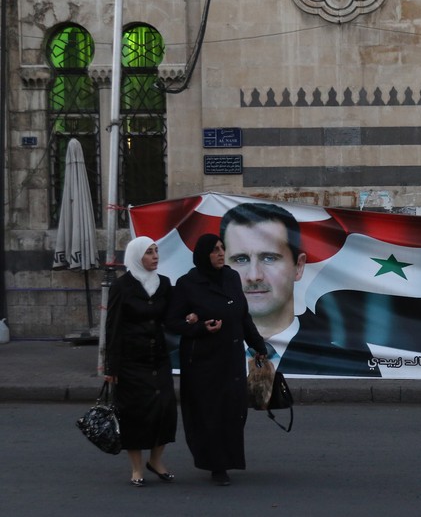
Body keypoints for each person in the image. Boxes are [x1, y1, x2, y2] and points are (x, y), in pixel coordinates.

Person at [219, 202, 378, 376]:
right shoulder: (197, 348)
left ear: (299, 266)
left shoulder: (350, 358)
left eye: (269, 258)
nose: (254, 275)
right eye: (240, 260)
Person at [165, 233, 269, 486]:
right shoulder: (188, 283)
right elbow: (172, 321)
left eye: (222, 248)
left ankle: (228, 458)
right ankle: (217, 466)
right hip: (203, 363)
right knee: (209, 414)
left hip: (231, 359)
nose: (221, 253)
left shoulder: (232, 277)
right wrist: (200, 327)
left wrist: (258, 345)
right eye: (214, 250)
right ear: (203, 255)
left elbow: (243, 316)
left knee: (233, 412)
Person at [104, 236, 177, 487]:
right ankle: (136, 469)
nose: (155, 256)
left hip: (158, 358)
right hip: (131, 361)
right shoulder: (122, 286)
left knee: (165, 409)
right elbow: (112, 327)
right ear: (137, 256)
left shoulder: (164, 284)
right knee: (135, 413)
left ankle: (156, 460)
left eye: (156, 251)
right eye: (149, 252)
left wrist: (191, 319)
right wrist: (110, 367)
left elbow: (172, 317)